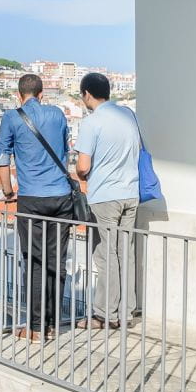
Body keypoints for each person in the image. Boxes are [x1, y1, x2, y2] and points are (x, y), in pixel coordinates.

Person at [0, 74, 72, 342]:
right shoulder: (57, 114)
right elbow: (65, 149)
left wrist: (7, 193)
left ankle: (37, 327)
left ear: (20, 96)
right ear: (41, 95)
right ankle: (52, 324)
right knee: (56, 262)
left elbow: (2, 160)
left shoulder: (11, 118)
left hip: (31, 199)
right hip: (62, 197)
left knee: (35, 263)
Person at [74, 72, 141, 330]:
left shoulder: (93, 122)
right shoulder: (129, 117)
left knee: (105, 255)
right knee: (126, 252)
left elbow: (82, 166)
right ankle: (126, 311)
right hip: (131, 193)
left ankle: (104, 314)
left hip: (105, 196)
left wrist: (83, 173)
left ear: (87, 94)